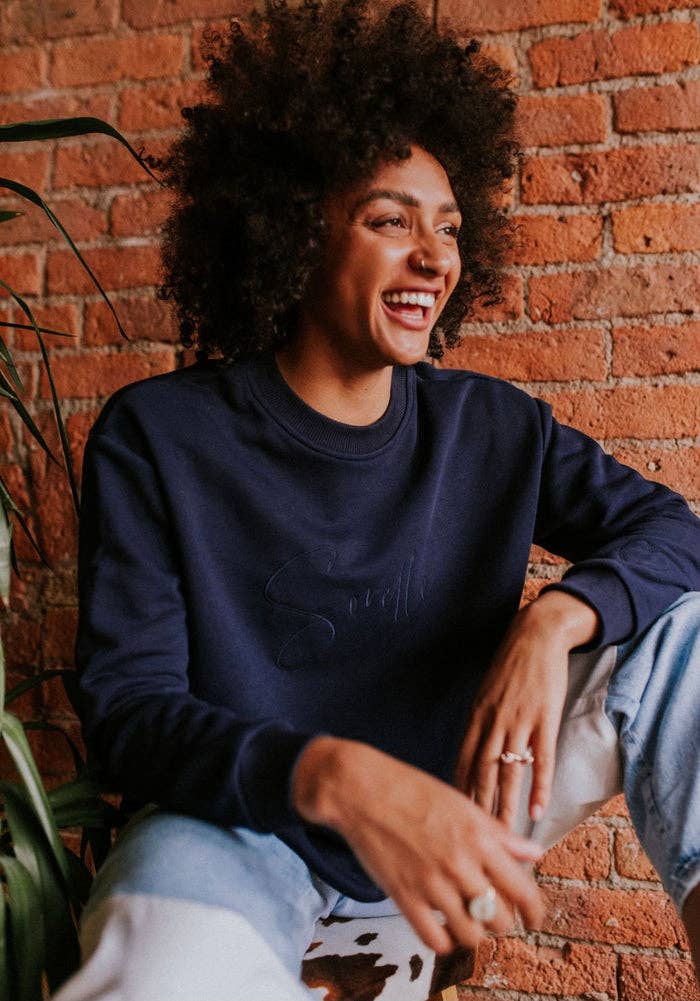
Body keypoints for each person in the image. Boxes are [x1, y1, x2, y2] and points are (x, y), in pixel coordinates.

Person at [54, 2, 700, 998]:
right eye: (391, 221)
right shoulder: (158, 436)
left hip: (464, 799)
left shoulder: (493, 427)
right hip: (242, 830)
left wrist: (556, 620)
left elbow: (674, 533)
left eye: (448, 229)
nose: (434, 258)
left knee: (687, 636)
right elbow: (131, 714)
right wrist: (333, 774)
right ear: (291, 231)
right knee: (151, 971)